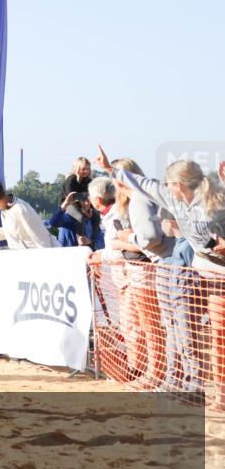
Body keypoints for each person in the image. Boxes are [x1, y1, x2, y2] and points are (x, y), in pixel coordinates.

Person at [96, 149, 225, 402]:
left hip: (217, 271)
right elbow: (145, 184)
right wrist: (110, 169)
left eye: (169, 184)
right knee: (187, 327)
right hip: (199, 269)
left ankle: (195, 384)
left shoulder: (215, 204)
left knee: (199, 329)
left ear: (179, 184)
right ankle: (192, 385)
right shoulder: (174, 200)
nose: (166, 188)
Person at [0, 180, 59, 249]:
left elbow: (41, 238)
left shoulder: (21, 209)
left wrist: (47, 261)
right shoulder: (4, 209)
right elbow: (10, 232)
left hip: (37, 259)